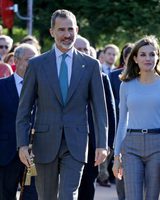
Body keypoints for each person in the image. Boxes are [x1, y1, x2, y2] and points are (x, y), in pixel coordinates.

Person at [16, 9, 108, 200]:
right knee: (46, 196)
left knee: (69, 195)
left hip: (76, 142)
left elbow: (100, 109)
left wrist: (102, 144)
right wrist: (22, 145)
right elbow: (24, 109)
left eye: (70, 29)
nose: (67, 35)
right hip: (44, 142)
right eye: (61, 30)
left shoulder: (91, 65)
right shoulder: (37, 65)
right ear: (52, 32)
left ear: (77, 30)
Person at [112, 35, 160, 200]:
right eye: (143, 54)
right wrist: (117, 157)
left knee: (153, 197)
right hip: (131, 146)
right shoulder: (126, 85)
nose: (148, 58)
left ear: (158, 57)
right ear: (135, 59)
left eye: (152, 54)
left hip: (158, 146)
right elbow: (122, 122)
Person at [74, 35, 116, 200]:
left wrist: (108, 143)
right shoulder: (59, 76)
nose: (83, 52)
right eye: (80, 49)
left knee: (87, 184)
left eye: (86, 49)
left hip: (92, 143)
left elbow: (110, 112)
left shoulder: (101, 77)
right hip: (64, 140)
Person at [0, 43, 38, 200]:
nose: (34, 64)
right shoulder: (2, 86)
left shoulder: (44, 88)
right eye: (30, 60)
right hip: (7, 153)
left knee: (32, 195)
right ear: (16, 60)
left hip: (35, 154)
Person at [109, 43, 134, 200]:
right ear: (124, 59)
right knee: (121, 171)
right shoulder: (113, 76)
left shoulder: (147, 79)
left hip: (140, 131)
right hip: (119, 129)